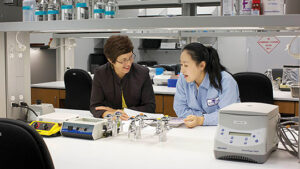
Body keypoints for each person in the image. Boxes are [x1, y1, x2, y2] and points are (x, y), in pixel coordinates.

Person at [173, 43, 240, 128]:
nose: (182, 71)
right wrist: (200, 119)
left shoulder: (225, 81)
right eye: (181, 65)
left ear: (202, 65)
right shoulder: (183, 79)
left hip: (222, 129)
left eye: (186, 65)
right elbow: (180, 109)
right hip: (195, 130)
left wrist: (201, 120)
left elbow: (227, 115)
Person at [90, 35, 156, 120]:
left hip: (136, 123)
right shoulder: (100, 74)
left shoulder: (142, 73)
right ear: (110, 60)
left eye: (130, 57)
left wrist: (119, 112)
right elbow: (95, 107)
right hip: (111, 123)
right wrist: (108, 114)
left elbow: (150, 107)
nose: (128, 63)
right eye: (123, 60)